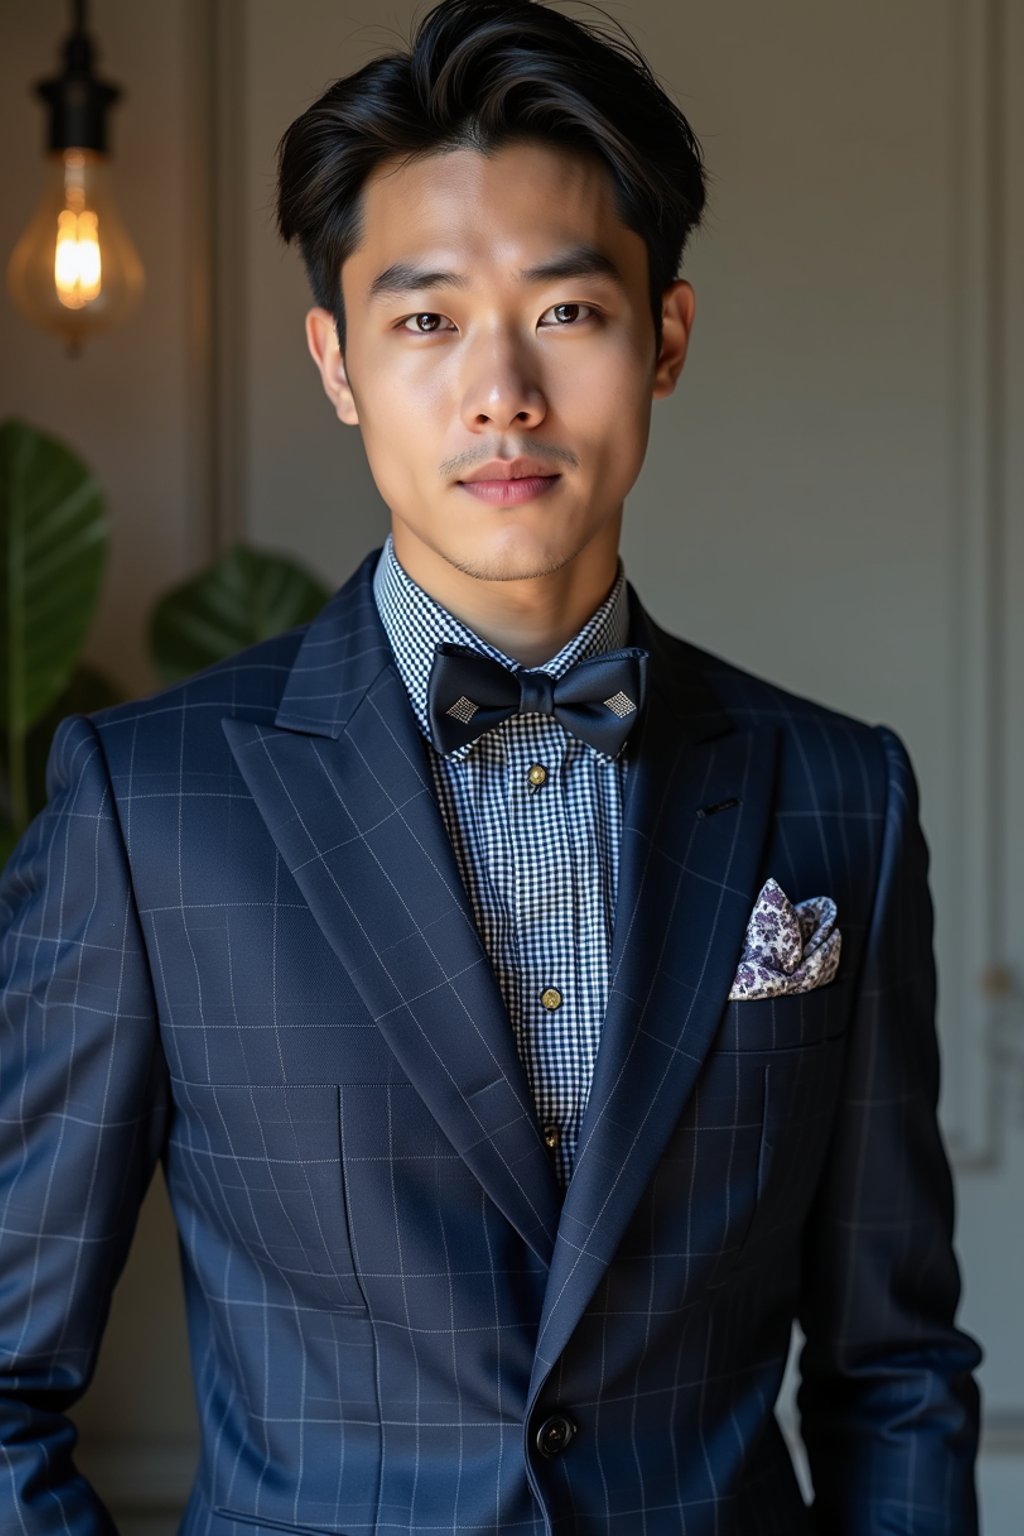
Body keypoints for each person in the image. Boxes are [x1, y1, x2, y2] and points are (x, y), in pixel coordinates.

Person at [0, 2, 982, 1532]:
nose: (502, 390)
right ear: (336, 361)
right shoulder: (149, 811)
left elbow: (894, 1370)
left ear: (665, 338)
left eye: (569, 312)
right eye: (425, 318)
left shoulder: (841, 796)